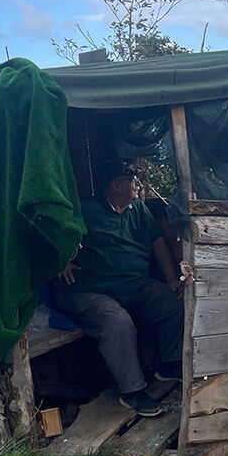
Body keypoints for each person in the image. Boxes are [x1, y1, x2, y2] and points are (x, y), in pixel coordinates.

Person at [53, 159, 184, 417]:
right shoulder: (86, 210)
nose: (138, 185)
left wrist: (171, 279)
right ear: (115, 184)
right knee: (118, 322)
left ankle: (169, 366)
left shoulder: (139, 210)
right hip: (90, 291)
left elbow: (158, 243)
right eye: (132, 181)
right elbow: (57, 231)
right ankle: (132, 391)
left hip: (136, 288)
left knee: (175, 302)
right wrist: (61, 259)